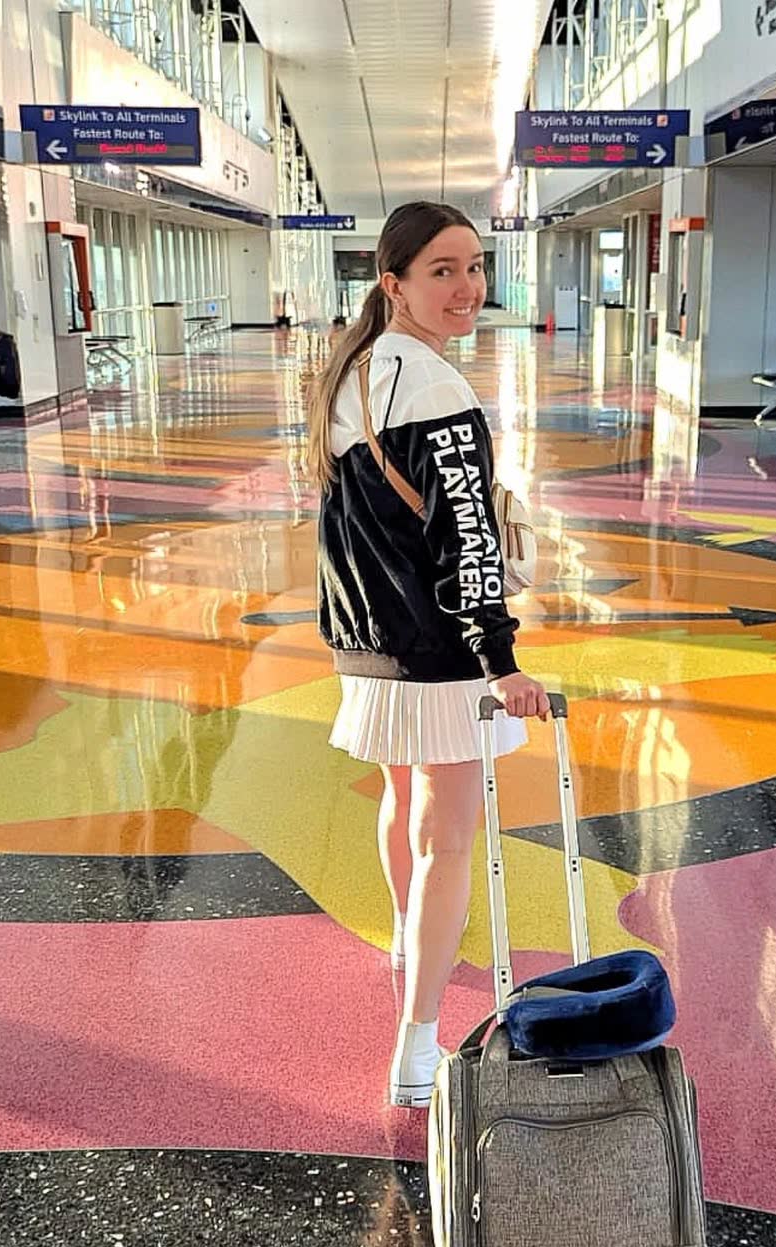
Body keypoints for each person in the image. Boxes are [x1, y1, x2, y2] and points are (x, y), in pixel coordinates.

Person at [306, 201, 549, 1108]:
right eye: (442, 270)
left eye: (475, 266)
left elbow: (342, 533)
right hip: (441, 655)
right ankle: (417, 1048)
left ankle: (411, 943)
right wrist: (501, 660)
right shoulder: (440, 390)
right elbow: (469, 543)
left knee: (401, 799)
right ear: (394, 282)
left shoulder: (354, 373)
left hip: (368, 646)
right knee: (449, 840)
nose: (467, 287)